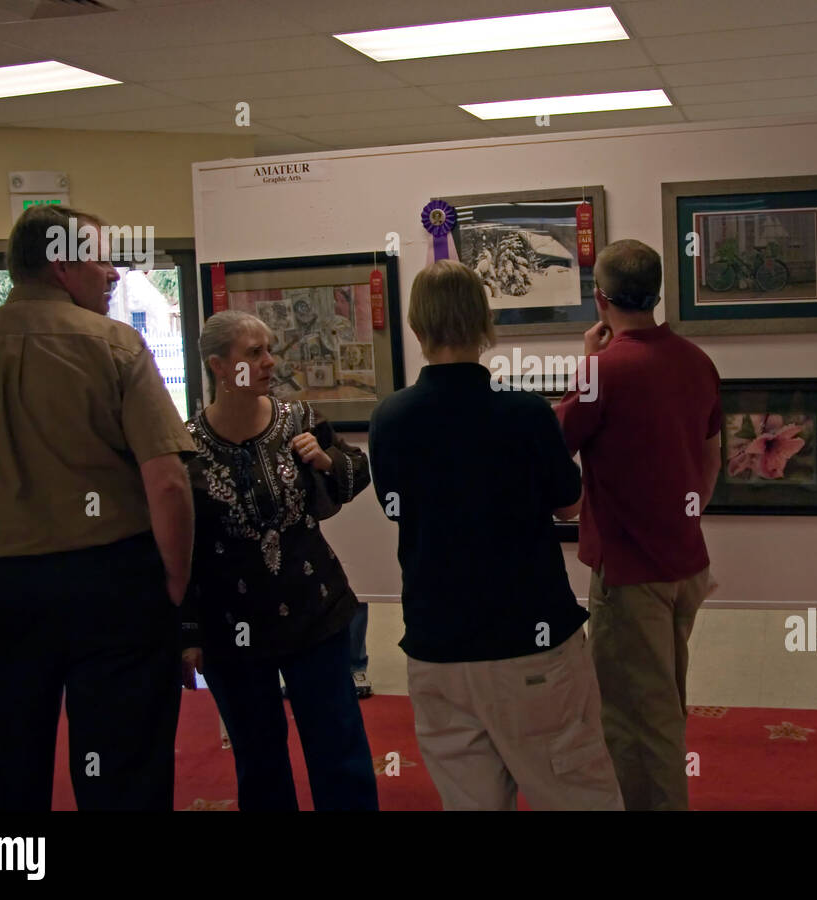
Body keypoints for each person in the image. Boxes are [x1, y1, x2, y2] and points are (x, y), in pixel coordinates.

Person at [0, 203, 195, 810]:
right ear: (61, 264)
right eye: (102, 259)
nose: (114, 274)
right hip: (112, 585)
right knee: (124, 767)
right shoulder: (116, 347)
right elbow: (167, 482)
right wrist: (173, 581)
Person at [369, 260, 622, 811]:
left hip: (437, 646)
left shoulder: (389, 418)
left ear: (416, 327)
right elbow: (570, 503)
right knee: (577, 791)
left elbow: (397, 510)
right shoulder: (524, 414)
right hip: (528, 640)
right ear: (486, 324)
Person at [180, 310, 377, 811]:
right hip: (233, 626)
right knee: (259, 756)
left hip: (315, 609)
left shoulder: (300, 420)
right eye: (254, 353)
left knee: (339, 748)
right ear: (219, 366)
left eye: (269, 350)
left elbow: (357, 474)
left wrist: (327, 461)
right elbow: (183, 547)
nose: (269, 362)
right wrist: (187, 633)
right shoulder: (187, 449)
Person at [554, 238, 722, 811]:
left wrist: (587, 363)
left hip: (630, 576)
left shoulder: (605, 371)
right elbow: (712, 458)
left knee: (635, 721)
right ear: (657, 293)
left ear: (600, 298)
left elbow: (549, 450)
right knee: (664, 702)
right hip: (687, 564)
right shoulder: (697, 362)